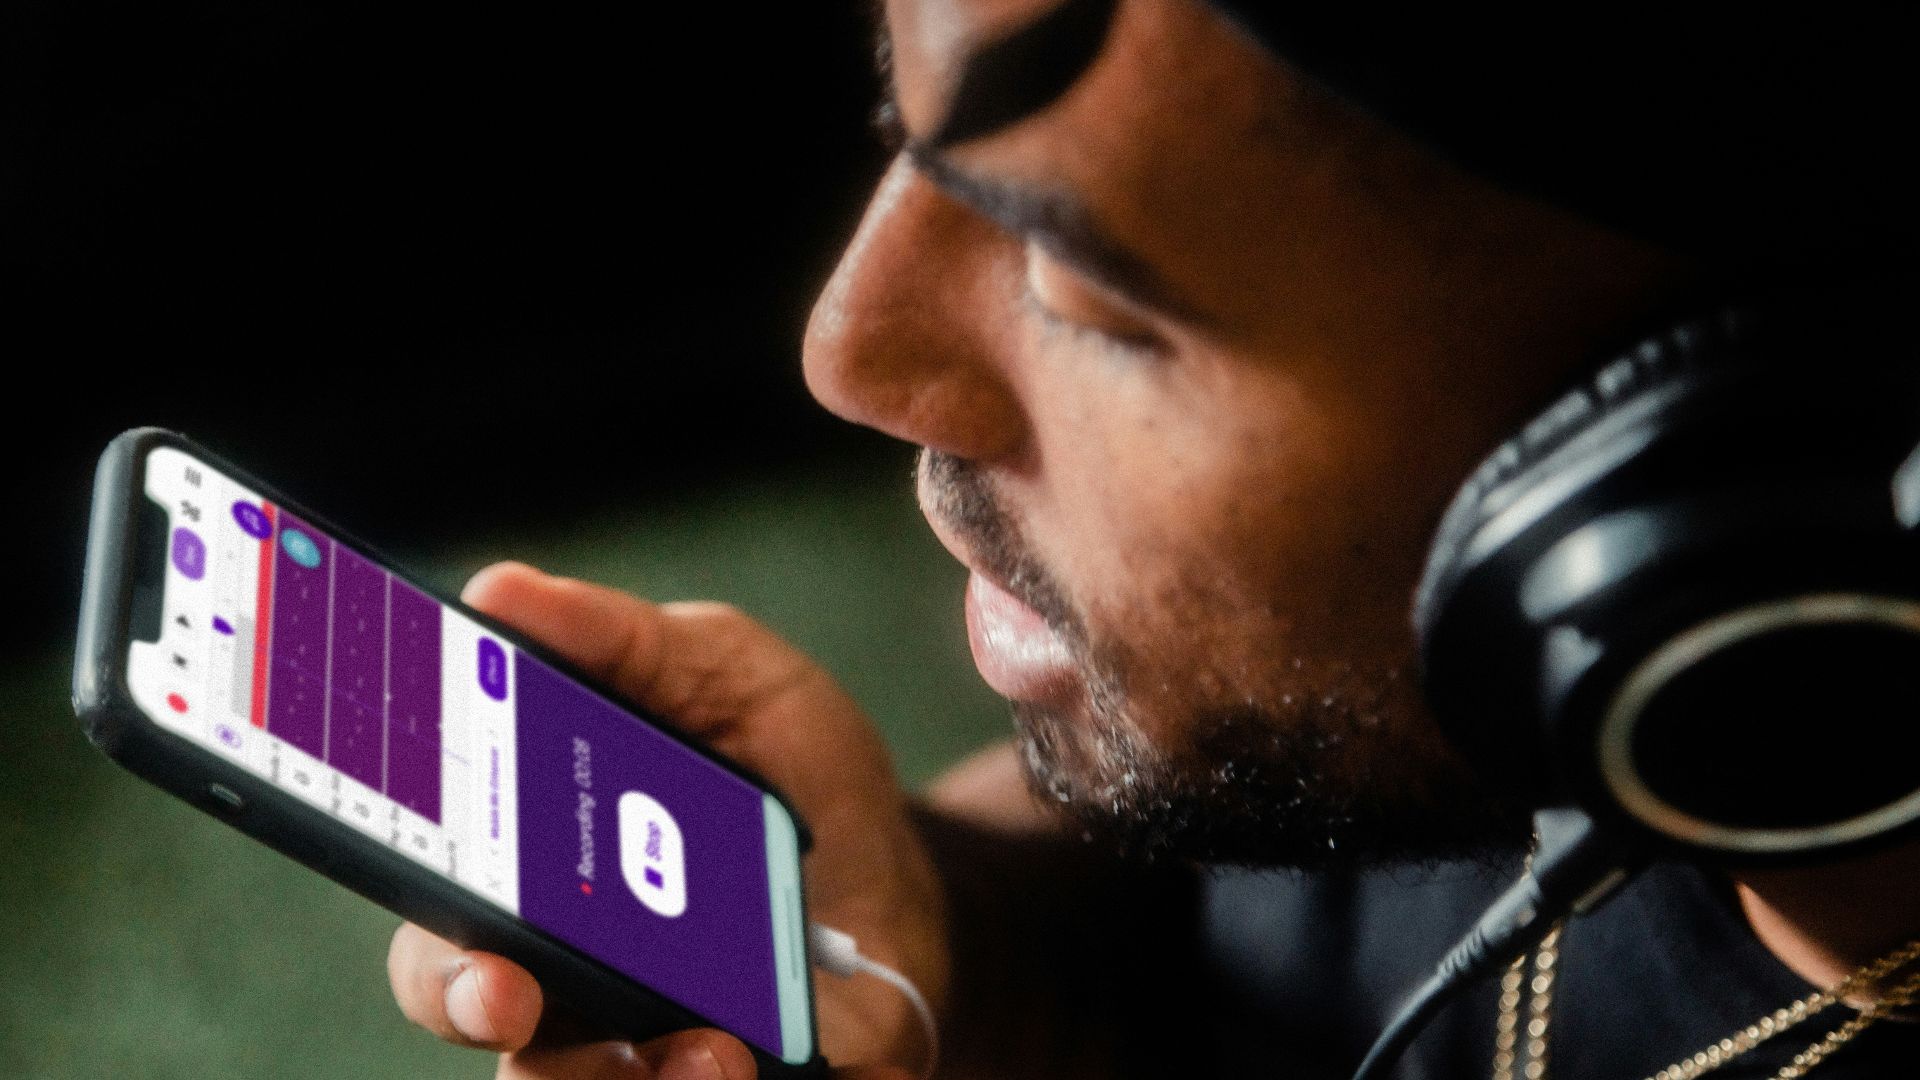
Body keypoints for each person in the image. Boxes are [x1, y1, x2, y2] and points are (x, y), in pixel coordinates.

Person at [384, 2, 1920, 1077]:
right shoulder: (1471, 700)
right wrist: (947, 946)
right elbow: (1259, 937)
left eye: (1079, 284)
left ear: (1757, 467)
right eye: (896, 118)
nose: (850, 349)